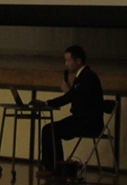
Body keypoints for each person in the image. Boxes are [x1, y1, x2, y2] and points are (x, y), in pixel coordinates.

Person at [34, 45, 104, 176]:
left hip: (88, 123)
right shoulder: (82, 77)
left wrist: (48, 102)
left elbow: (77, 100)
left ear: (78, 61)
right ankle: (55, 166)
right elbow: (77, 97)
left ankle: (54, 168)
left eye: (68, 60)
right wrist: (69, 93)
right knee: (49, 129)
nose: (66, 64)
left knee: (50, 130)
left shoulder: (88, 77)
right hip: (81, 120)